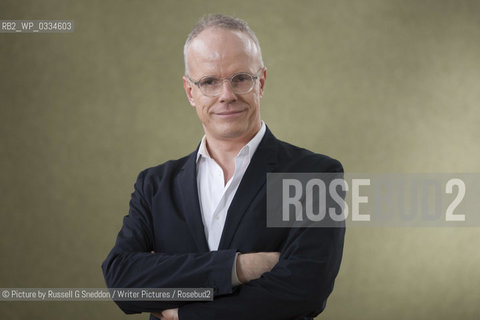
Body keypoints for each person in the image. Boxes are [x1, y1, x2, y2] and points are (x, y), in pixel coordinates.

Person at [102, 14, 345, 320]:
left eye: (241, 78)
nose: (226, 95)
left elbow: (304, 291)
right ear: (191, 92)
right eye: (209, 82)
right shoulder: (153, 185)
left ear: (262, 82)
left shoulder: (317, 177)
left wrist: (182, 313)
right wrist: (238, 268)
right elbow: (123, 280)